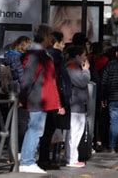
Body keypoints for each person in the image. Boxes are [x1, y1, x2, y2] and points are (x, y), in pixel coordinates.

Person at [18, 25, 64, 174]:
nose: (52, 38)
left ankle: (28, 160)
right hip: (37, 98)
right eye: (50, 35)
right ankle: (27, 161)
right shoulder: (37, 55)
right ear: (45, 37)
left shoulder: (39, 54)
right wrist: (22, 97)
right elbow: (27, 79)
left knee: (37, 130)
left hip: (39, 98)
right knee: (35, 130)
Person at [39, 31, 72, 170]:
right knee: (50, 130)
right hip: (54, 98)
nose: (64, 45)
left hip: (47, 97)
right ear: (56, 43)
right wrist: (62, 102)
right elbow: (59, 80)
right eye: (62, 42)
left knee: (47, 131)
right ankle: (46, 159)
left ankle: (46, 158)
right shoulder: (56, 56)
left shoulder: (47, 55)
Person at [0, 35, 31, 152]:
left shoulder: (8, 55)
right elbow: (19, 74)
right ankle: (15, 149)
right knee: (18, 121)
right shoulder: (18, 57)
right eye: (28, 44)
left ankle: (6, 144)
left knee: (8, 118)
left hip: (6, 90)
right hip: (17, 90)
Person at [65, 45, 90, 168]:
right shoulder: (71, 67)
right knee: (74, 133)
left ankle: (73, 157)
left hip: (78, 105)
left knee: (76, 133)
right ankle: (71, 158)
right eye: (84, 55)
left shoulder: (73, 67)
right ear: (77, 56)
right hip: (74, 105)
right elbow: (82, 82)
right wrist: (86, 70)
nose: (85, 58)